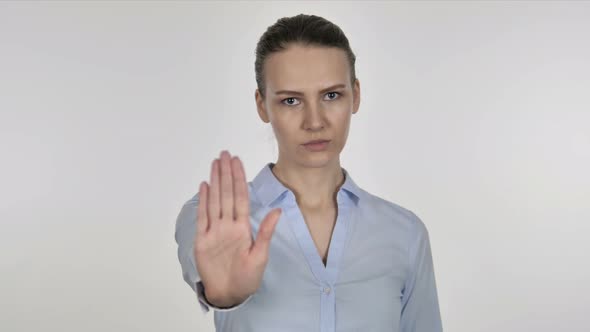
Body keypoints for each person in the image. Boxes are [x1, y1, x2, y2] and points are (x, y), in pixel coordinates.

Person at [174, 13, 443, 332]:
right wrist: (224, 293)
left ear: (355, 95)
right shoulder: (212, 218)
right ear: (262, 105)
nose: (315, 121)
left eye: (331, 95)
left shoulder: (405, 234)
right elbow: (210, 274)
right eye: (291, 100)